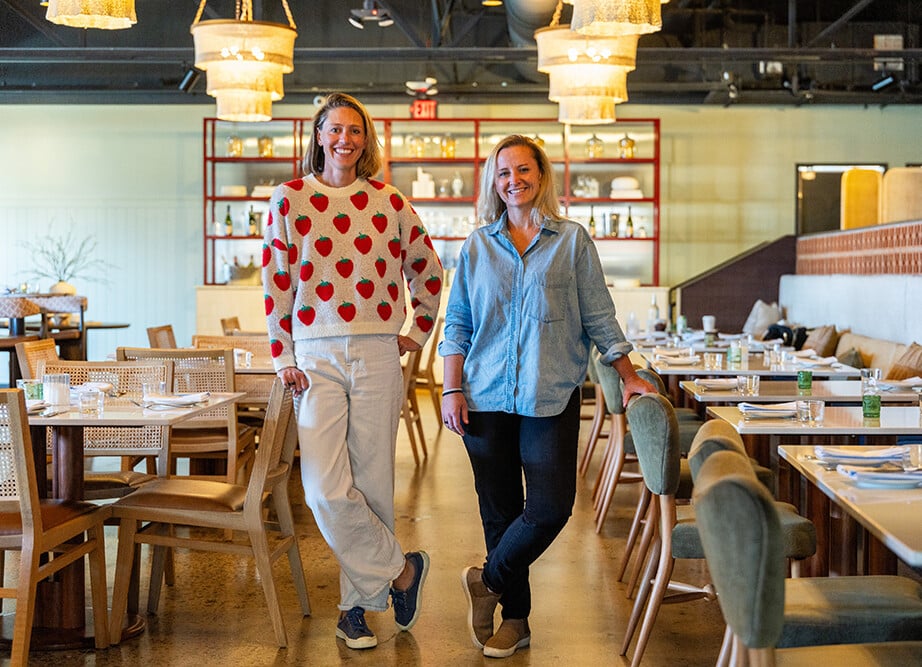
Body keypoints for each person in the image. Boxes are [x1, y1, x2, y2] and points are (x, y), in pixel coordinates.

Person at [438, 134, 655, 659]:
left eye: (523, 169)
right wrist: (450, 387)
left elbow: (600, 314)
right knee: (499, 512)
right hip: (485, 397)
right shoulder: (476, 246)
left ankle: (485, 579)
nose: (514, 180)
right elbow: (459, 323)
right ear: (494, 182)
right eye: (503, 172)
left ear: (541, 175)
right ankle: (516, 621)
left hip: (550, 396)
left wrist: (626, 373)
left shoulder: (572, 241)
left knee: (550, 508)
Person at [261, 92, 442, 650]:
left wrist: (417, 331)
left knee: (373, 484)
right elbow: (275, 283)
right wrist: (282, 354)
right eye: (335, 129)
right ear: (318, 135)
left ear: (366, 140)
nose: (345, 139)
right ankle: (402, 570)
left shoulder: (389, 202)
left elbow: (429, 270)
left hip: (378, 353)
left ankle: (355, 609)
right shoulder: (288, 200)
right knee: (322, 489)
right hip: (314, 355)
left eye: (355, 131)